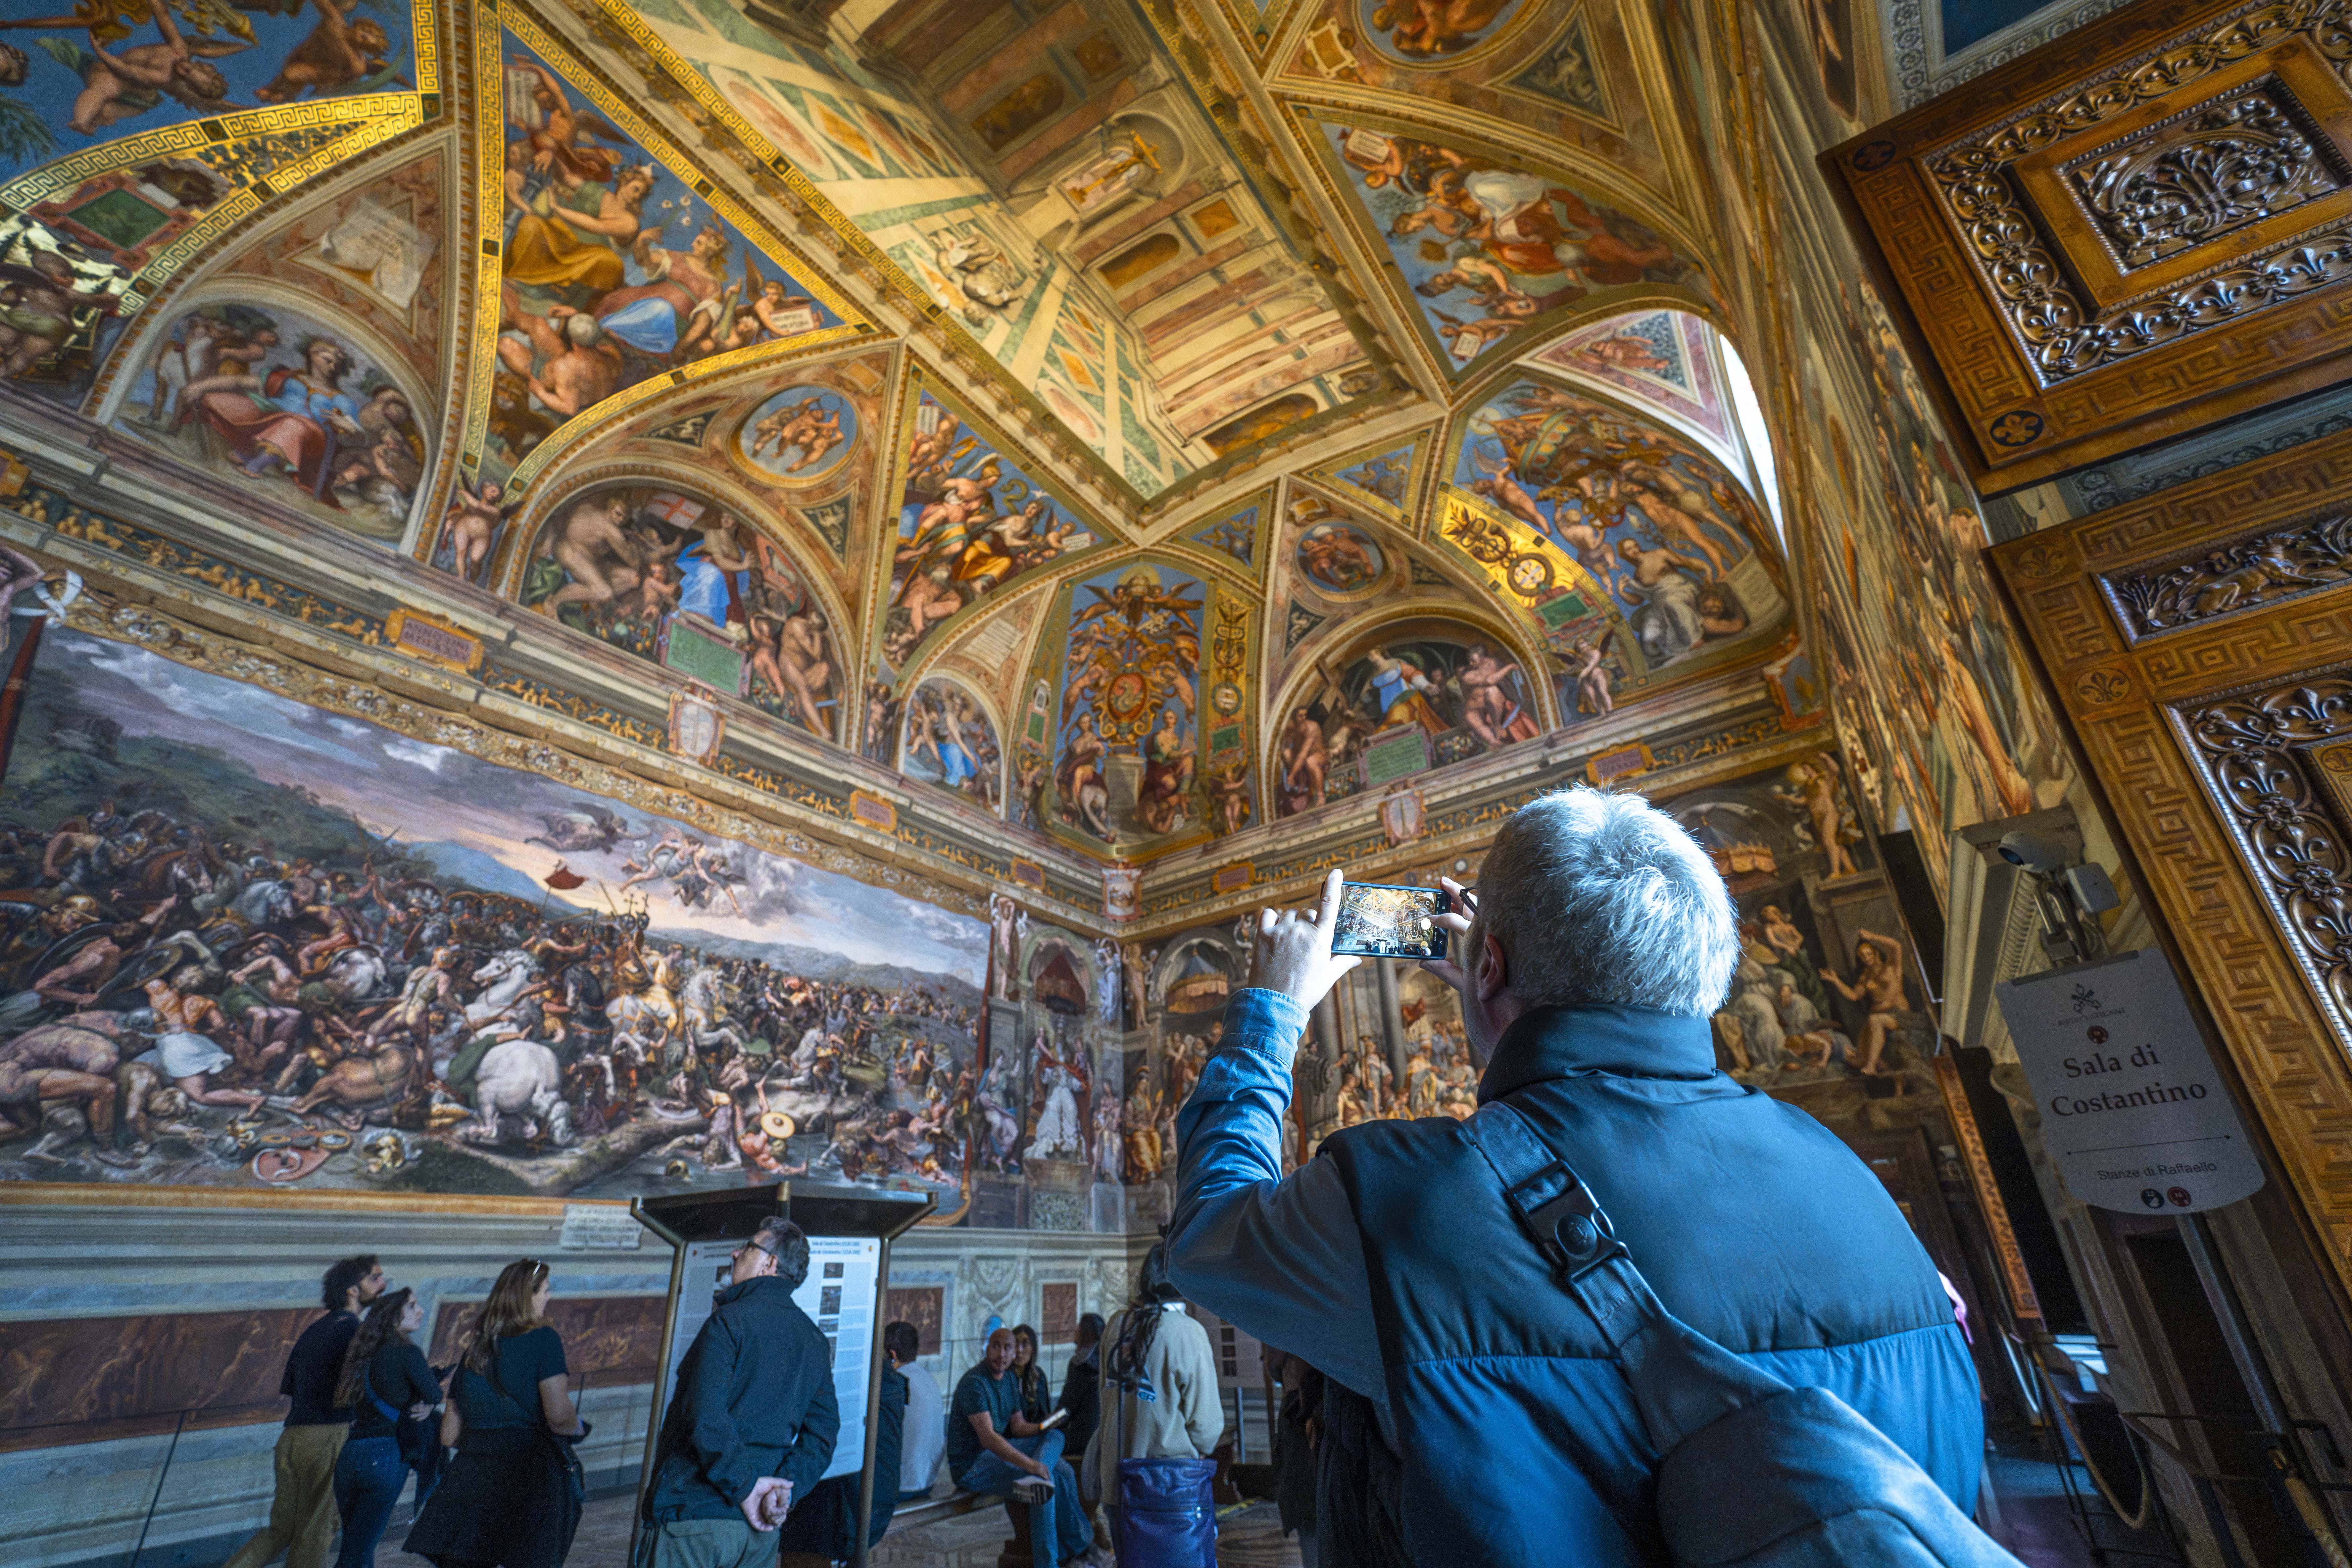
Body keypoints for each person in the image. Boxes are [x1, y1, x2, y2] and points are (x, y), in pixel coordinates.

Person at [1164, 790, 1983, 1567]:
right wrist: (1497, 997)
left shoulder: (1411, 1196)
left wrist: (1273, 1006)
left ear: (1487, 967)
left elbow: (1209, 1235)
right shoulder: (1846, 1174)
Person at [641, 1218, 839, 1568]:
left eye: (748, 1247)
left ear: (769, 1264)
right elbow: (823, 1435)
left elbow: (706, 1417)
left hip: (696, 1515)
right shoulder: (813, 1339)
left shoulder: (729, 1322)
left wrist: (747, 1487)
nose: (735, 1253)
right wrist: (782, 1492)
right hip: (759, 1531)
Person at [405, 1260, 587, 1568]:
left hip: (469, 1480)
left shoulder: (475, 1349)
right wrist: (578, 1425)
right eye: (546, 1290)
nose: (549, 1297)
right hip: (526, 1479)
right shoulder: (545, 1340)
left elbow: (449, 1435)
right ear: (527, 1296)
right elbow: (558, 1417)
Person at [224, 1254, 386, 1568]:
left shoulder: (316, 1329)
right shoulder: (354, 1331)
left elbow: (292, 1387)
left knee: (281, 1530)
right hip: (328, 1437)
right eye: (376, 1278)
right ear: (353, 1290)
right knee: (316, 1531)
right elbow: (362, 1390)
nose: (383, 1285)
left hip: (292, 1437)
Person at [1092, 1245, 1222, 1561]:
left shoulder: (1116, 1327)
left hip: (1118, 1483)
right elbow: (1207, 1427)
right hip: (1169, 1491)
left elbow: (1105, 1397)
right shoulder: (1187, 1332)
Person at [947, 1327, 1097, 1568]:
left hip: (1002, 1451)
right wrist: (1031, 1465)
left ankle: (1077, 1548)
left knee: (1058, 1447)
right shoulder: (974, 1383)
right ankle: (1048, 1563)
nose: (1002, 1354)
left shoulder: (1008, 1379)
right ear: (986, 1349)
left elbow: (1018, 1427)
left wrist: (1044, 1426)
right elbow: (988, 1439)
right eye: (996, 1347)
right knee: (1045, 1486)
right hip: (973, 1464)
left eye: (1008, 1348)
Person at [331, 1287, 438, 1568]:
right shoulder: (407, 1352)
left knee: (355, 1547)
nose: (421, 1311)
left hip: (349, 1455)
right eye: (413, 1306)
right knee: (358, 1550)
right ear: (394, 1316)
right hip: (386, 1456)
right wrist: (427, 1406)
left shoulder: (362, 1352)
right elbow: (434, 1393)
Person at [895, 1321, 947, 1500]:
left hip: (902, 1487)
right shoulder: (928, 1379)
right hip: (928, 1483)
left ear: (891, 1354)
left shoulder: (897, 1382)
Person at [1057, 1313, 1104, 1466]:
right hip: (1105, 1437)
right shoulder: (1108, 1362)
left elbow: (1064, 1412)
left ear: (1085, 1334)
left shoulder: (1080, 1365)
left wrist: (1042, 1426)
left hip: (1083, 1440)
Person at [1010, 1322, 1050, 1424]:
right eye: (1016, 1344)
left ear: (1033, 1348)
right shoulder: (1005, 1377)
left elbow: (1045, 1413)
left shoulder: (1038, 1375)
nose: (1019, 1350)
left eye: (1025, 1344)